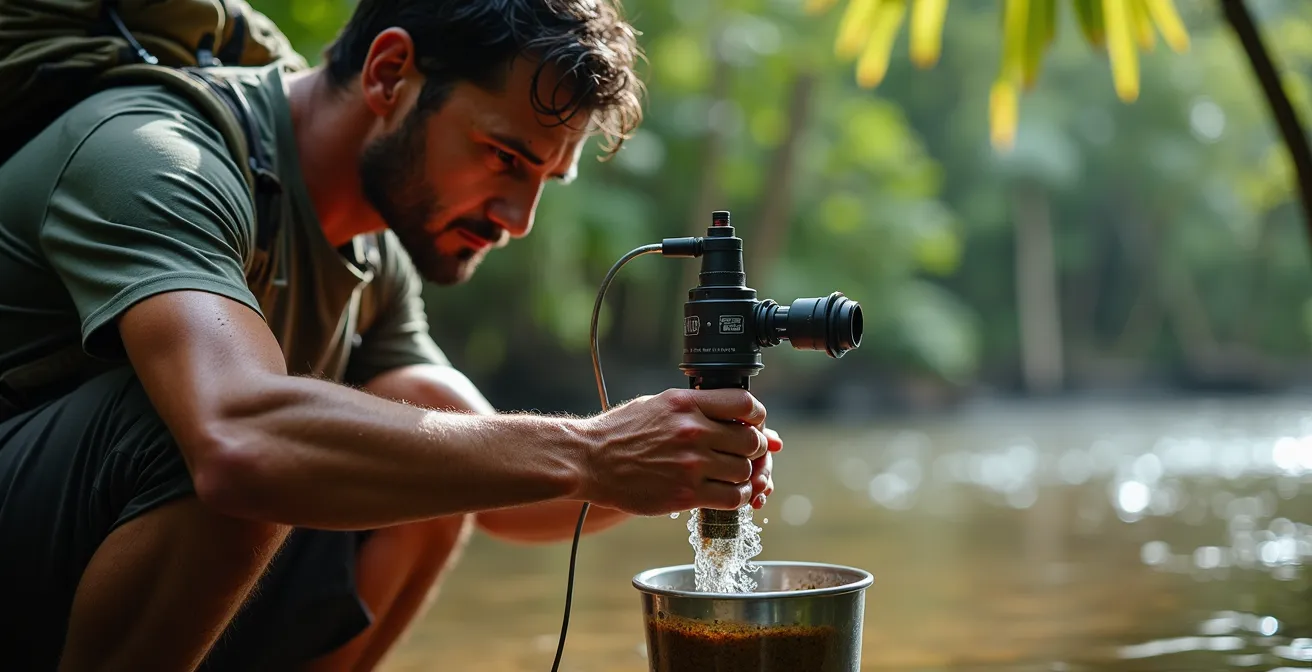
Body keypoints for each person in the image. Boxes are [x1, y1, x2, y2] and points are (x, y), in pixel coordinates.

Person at [0, 0, 781, 670]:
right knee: (237, 437)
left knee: (441, 438)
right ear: (388, 74)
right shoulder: (159, 155)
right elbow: (239, 442)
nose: (518, 219)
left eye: (544, 179)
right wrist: (592, 451)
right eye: (503, 156)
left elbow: (492, 481)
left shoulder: (374, 251)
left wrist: (673, 462)